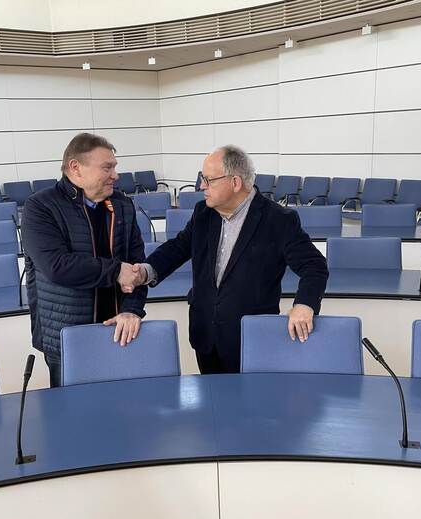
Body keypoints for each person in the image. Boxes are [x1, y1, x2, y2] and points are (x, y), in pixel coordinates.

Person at [122, 145, 329, 374]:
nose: (201, 186)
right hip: (206, 337)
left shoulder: (279, 219)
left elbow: (314, 266)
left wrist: (304, 304)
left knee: (251, 397)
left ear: (235, 182)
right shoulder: (203, 212)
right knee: (210, 397)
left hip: (251, 341)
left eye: (208, 180)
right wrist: (145, 271)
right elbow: (178, 247)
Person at [22, 133, 147, 387]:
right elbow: (57, 267)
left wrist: (131, 309)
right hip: (67, 338)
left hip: (118, 332)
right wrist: (116, 271)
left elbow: (136, 268)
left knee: (121, 405)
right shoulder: (41, 207)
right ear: (75, 168)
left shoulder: (123, 205)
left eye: (114, 167)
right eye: (107, 168)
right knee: (72, 409)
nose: (115, 175)